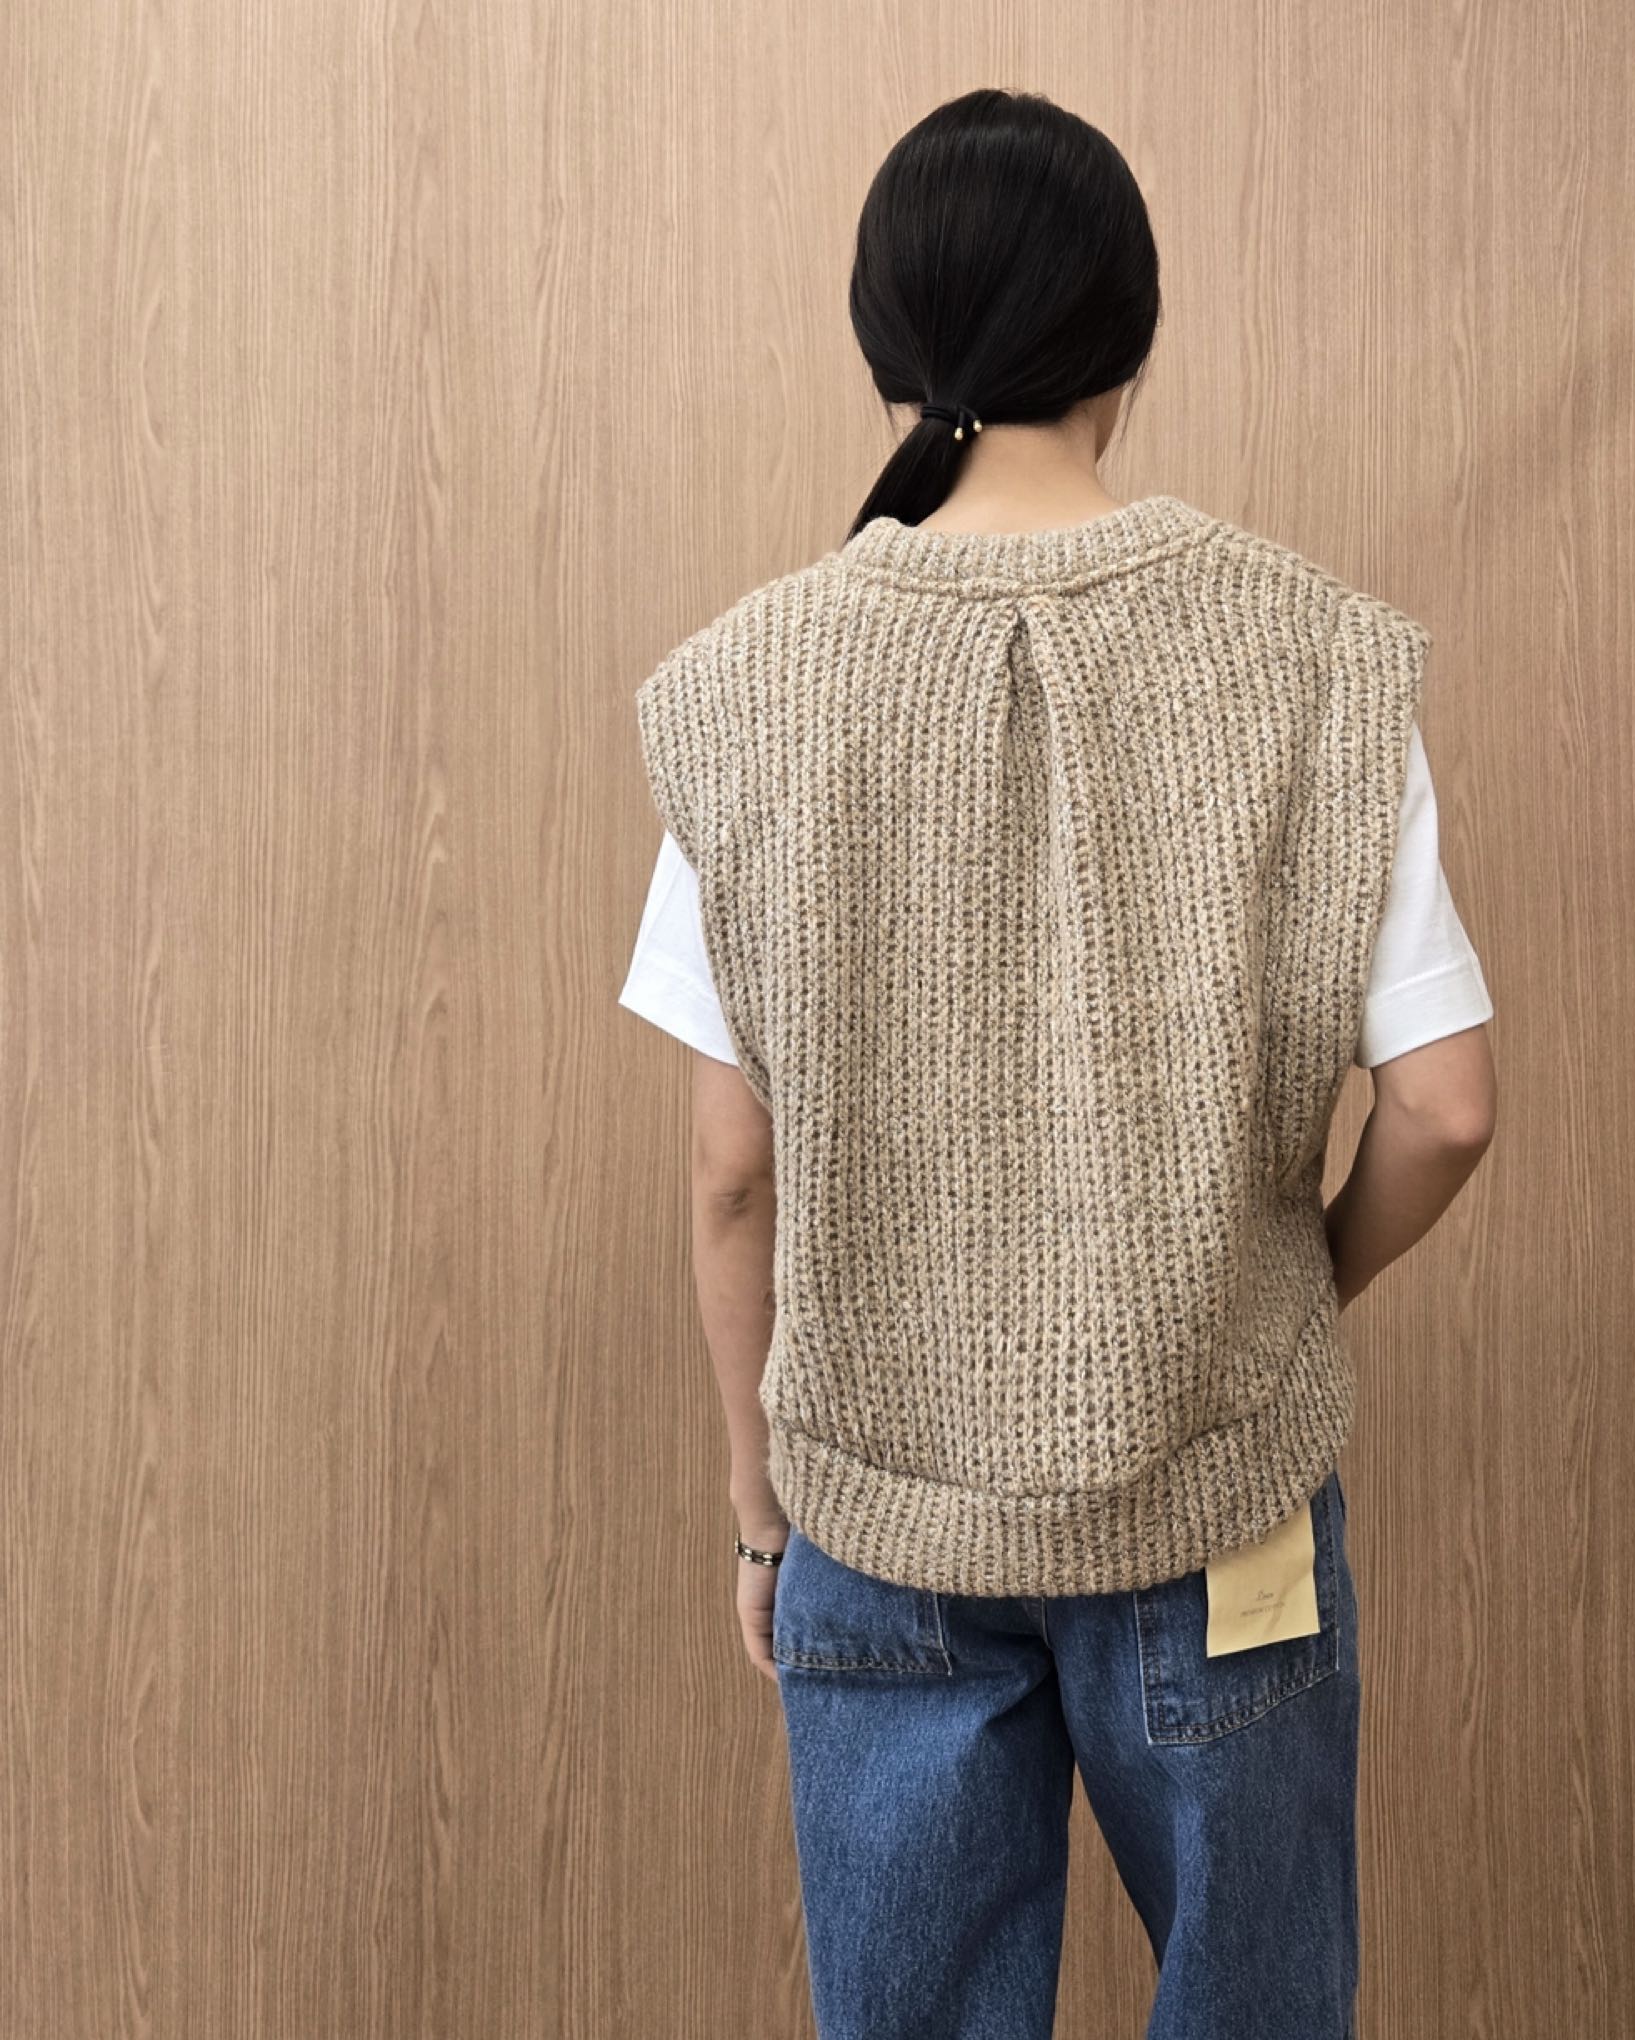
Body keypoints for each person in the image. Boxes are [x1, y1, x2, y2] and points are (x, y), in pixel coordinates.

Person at [620, 86, 1495, 2040]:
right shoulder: (1315, 657)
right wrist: (1276, 1286)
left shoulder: (746, 687)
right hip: (1221, 1507)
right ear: (1131, 331)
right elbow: (1446, 1107)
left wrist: (762, 1516)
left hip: (877, 1524)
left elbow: (731, 1175)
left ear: (889, 340)